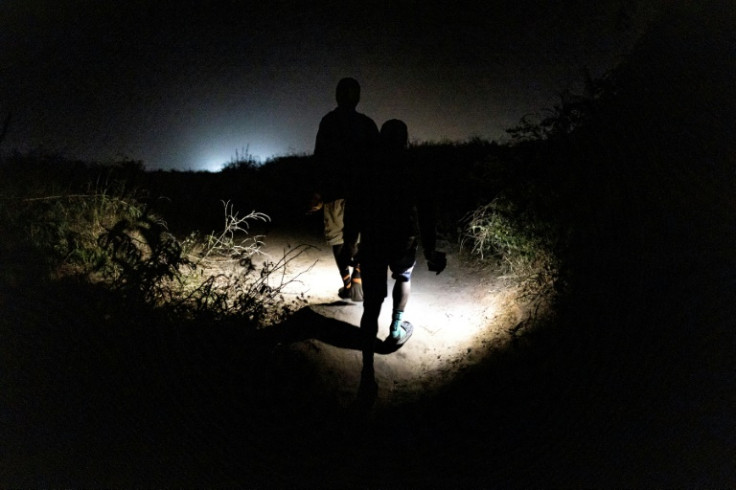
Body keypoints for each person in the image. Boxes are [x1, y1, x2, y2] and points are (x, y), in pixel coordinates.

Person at [341, 119, 446, 394]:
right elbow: (426, 210)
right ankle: (396, 329)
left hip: (374, 240)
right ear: (405, 139)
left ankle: (367, 370)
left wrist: (350, 241)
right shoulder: (413, 166)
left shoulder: (367, 166)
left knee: (371, 305)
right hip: (403, 238)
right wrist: (430, 249)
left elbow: (354, 206)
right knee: (403, 276)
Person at [311, 77, 379, 302]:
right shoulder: (367, 124)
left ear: (337, 96)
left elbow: (319, 158)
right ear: (358, 97)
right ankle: (358, 280)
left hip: (334, 192)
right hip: (362, 192)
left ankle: (348, 284)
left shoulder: (329, 122)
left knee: (338, 240)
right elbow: (378, 161)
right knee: (358, 238)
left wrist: (318, 192)